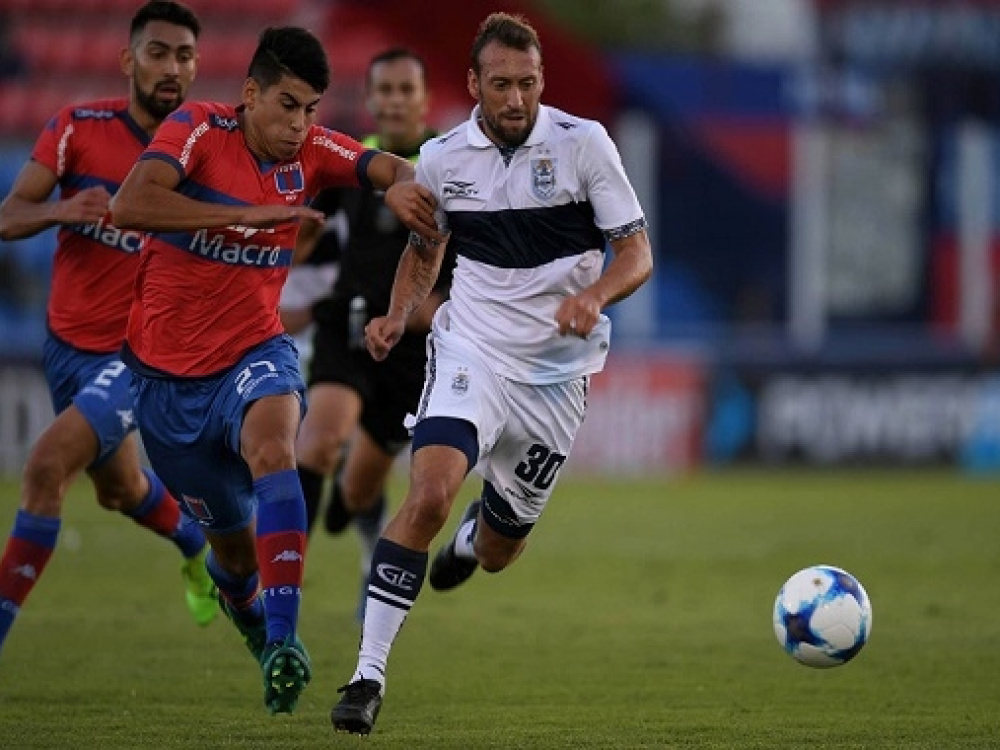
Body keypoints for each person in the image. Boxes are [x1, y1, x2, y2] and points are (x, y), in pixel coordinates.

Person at [330, 12, 654, 736]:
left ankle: (476, 540)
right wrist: (397, 314)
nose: (516, 99)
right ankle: (367, 674)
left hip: (556, 375)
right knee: (428, 495)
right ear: (473, 84)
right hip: (472, 351)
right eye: (502, 84)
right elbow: (425, 252)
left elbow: (636, 252)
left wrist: (595, 296)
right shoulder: (443, 158)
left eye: (528, 83)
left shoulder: (583, 145)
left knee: (503, 549)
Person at [108, 26, 444, 715]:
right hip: (167, 386)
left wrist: (404, 186)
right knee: (233, 560)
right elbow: (130, 204)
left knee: (275, 447)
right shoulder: (197, 129)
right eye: (287, 106)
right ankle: (256, 625)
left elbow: (384, 166)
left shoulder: (313, 150)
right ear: (251, 93)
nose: (299, 125)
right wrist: (247, 215)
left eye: (311, 109)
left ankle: (286, 639)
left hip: (253, 353)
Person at [0, 0, 216, 659]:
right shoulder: (77, 129)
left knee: (45, 467)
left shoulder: (203, 153)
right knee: (121, 489)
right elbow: (9, 217)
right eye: (158, 52)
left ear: (196, 66)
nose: (172, 67)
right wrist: (63, 209)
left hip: (138, 353)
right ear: (129, 59)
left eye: (184, 56)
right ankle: (195, 543)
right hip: (66, 347)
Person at [293, 48, 453, 619]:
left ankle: (365, 539)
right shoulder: (354, 160)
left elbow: (470, 259)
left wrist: (436, 307)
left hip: (414, 348)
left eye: (406, 89)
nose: (394, 100)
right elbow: (306, 234)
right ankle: (281, 584)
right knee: (318, 442)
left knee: (356, 495)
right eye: (384, 89)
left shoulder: (448, 164)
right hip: (349, 324)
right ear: (369, 98)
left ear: (425, 99)